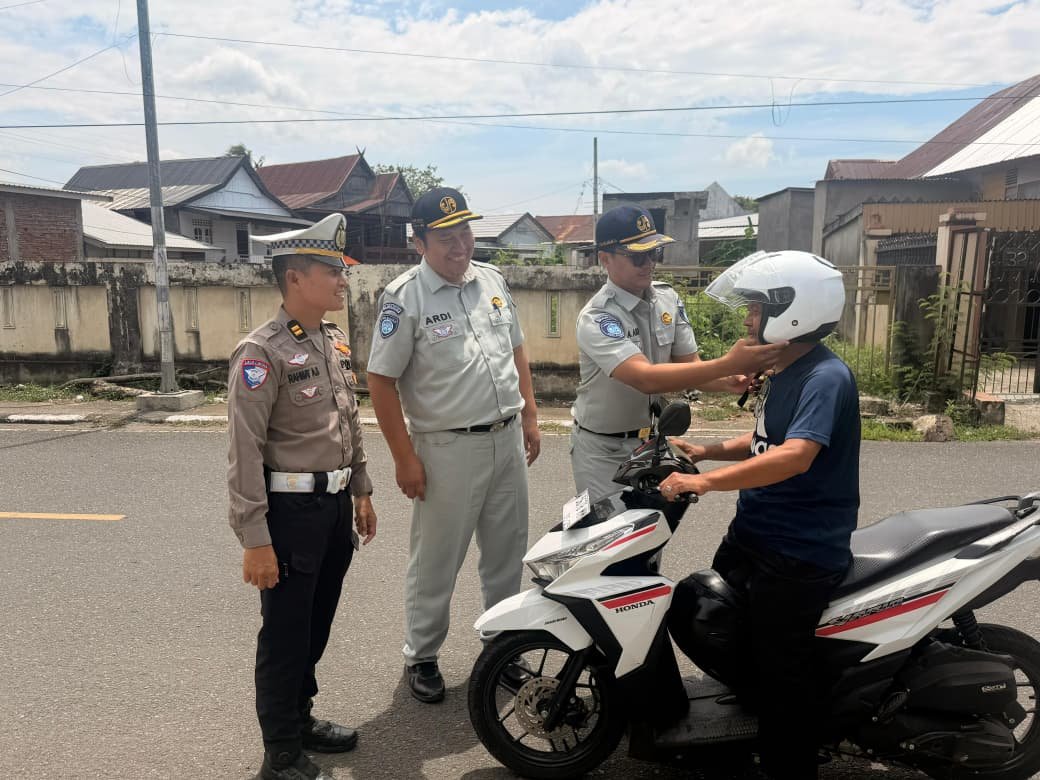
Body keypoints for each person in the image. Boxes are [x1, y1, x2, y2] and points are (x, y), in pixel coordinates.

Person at [659, 250, 858, 780]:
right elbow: (765, 440)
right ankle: (750, 720)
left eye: (756, 308)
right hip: (757, 532)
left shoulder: (825, 376)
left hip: (798, 548)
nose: (747, 320)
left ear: (794, 311)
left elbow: (795, 455)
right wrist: (706, 449)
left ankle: (790, 763)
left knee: (780, 666)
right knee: (709, 616)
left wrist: (704, 481)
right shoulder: (786, 369)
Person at [366, 187, 540, 704]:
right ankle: (422, 655)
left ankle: (502, 646)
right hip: (445, 449)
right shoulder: (404, 297)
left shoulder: (492, 280)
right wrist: (404, 458)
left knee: (507, 553)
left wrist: (530, 414)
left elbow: (516, 349)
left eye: (464, 231)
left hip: (506, 439)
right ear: (418, 241)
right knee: (437, 559)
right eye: (444, 236)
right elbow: (380, 380)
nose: (459, 244)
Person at [227, 213, 378, 780]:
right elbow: (244, 452)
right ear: (296, 277)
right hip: (289, 514)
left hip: (334, 507)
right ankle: (281, 751)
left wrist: (361, 490)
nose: (344, 280)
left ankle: (301, 715)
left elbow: (349, 423)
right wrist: (255, 540)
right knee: (286, 633)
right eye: (333, 270)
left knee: (315, 625)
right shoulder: (259, 353)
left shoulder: (328, 340)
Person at [571, 204, 785, 504]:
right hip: (603, 449)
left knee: (651, 534)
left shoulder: (668, 299)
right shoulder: (598, 317)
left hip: (651, 444)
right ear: (604, 258)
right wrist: (727, 363)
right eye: (637, 256)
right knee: (612, 539)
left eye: (654, 253)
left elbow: (691, 366)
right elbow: (645, 378)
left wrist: (728, 380)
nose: (649, 263)